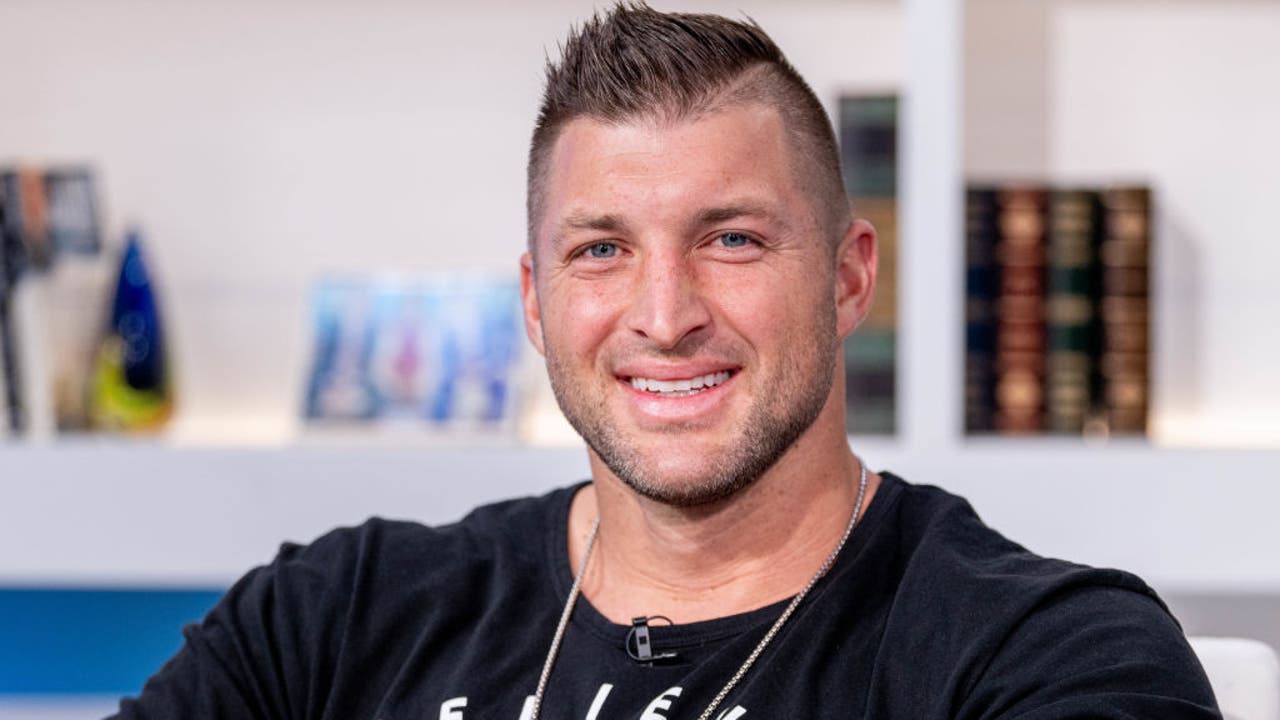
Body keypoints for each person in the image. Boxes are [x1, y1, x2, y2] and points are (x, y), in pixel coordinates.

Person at [112, 4, 1221, 719]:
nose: (663, 315)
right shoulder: (329, 619)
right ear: (536, 303)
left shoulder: (1049, 657)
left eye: (730, 239)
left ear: (848, 279)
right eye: (601, 250)